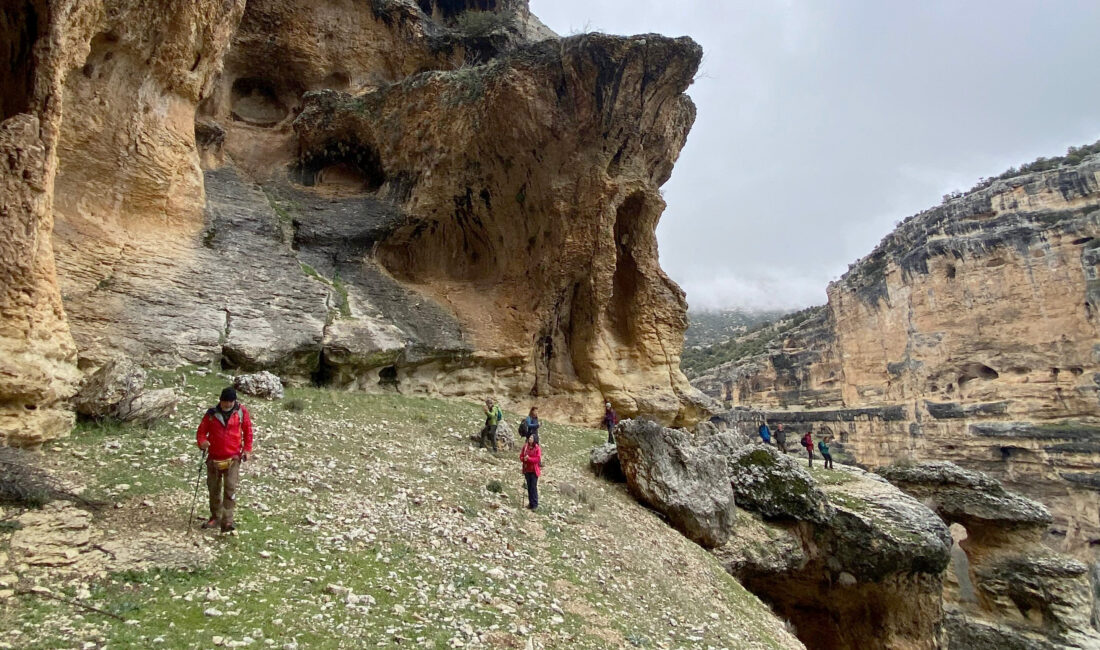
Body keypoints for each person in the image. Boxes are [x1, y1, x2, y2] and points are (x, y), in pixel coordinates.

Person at [196, 387, 253, 533]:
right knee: (214, 489)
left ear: (234, 401)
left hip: (233, 457)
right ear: (220, 400)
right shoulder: (211, 414)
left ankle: (227, 521)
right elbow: (201, 432)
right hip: (214, 458)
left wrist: (247, 449)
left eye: (230, 402)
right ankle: (215, 517)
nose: (227, 404)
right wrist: (202, 442)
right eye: (225, 402)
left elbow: (248, 431)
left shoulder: (241, 412)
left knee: (230, 488)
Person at [520, 432, 542, 509]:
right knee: (529, 487)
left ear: (535, 439)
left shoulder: (537, 448)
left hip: (534, 471)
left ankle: (535, 504)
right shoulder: (525, 447)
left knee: (533, 487)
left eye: (532, 438)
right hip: (527, 470)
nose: (530, 439)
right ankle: (530, 503)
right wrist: (524, 459)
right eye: (530, 437)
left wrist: (529, 459)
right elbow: (521, 457)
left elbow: (537, 459)